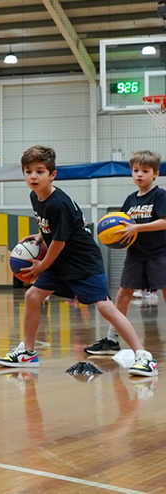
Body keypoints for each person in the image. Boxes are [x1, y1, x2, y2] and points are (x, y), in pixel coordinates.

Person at [0, 145, 157, 377]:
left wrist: (42, 266)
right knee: (32, 295)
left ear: (52, 175)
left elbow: (60, 242)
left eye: (40, 171)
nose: (33, 176)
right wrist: (41, 235)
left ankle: (144, 356)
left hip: (82, 263)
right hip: (60, 262)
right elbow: (57, 231)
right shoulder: (36, 197)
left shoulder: (58, 203)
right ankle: (28, 352)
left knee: (105, 307)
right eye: (28, 171)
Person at [86, 150, 166, 356]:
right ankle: (112, 339)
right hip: (136, 255)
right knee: (122, 295)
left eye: (145, 171)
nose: (139, 174)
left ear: (155, 173)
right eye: (135, 170)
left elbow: (164, 222)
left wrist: (136, 228)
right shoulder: (130, 200)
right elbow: (121, 224)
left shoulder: (160, 195)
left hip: (159, 253)